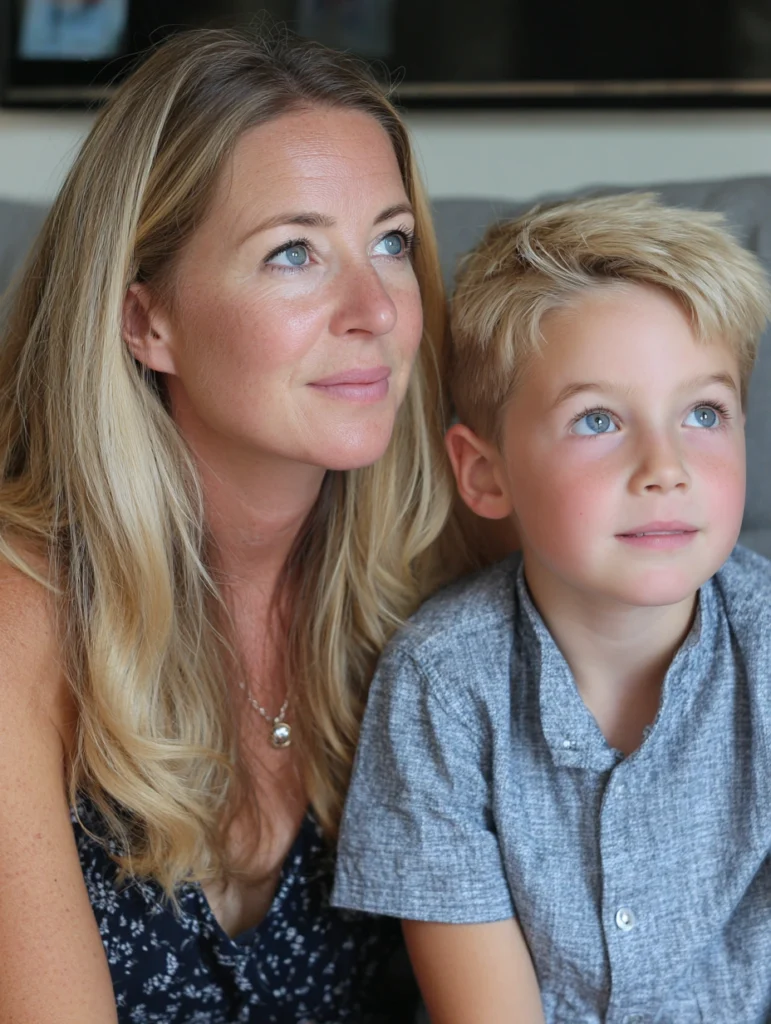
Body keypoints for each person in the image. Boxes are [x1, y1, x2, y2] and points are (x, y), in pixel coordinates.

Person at [0, 26, 466, 1024]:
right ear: (145, 320)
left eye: (390, 242)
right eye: (294, 252)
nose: (375, 309)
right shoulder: (22, 618)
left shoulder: (441, 574)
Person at [332, 193, 771, 1023]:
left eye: (703, 413)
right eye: (597, 419)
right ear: (484, 473)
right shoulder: (440, 682)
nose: (664, 466)